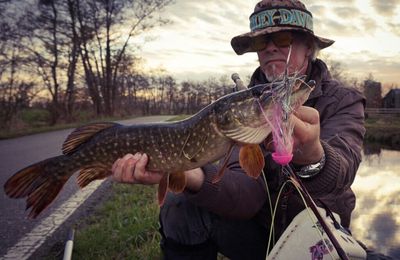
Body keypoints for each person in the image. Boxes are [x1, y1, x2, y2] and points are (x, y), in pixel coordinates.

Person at [112, 0, 367, 259]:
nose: (269, 48)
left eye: (282, 37)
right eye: (260, 42)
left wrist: (313, 155)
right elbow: (246, 194)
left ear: (308, 47)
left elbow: (344, 169)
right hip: (259, 233)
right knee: (180, 205)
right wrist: (190, 175)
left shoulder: (343, 100)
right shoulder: (241, 108)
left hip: (320, 237)